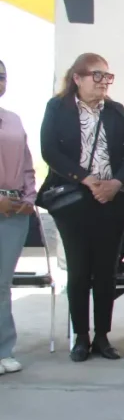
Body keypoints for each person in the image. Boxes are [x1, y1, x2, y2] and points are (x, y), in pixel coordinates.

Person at [38, 53, 124, 363]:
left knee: (106, 272)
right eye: (97, 75)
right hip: (74, 201)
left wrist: (116, 183)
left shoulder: (116, 111)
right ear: (77, 78)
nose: (103, 82)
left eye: (107, 76)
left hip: (111, 201)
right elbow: (49, 150)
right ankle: (81, 337)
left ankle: (102, 337)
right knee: (80, 270)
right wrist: (85, 179)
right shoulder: (58, 108)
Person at [0, 58, 36, 375]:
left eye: (2, 76)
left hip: (14, 212)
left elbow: (26, 164)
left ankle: (3, 350)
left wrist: (29, 198)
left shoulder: (13, 120)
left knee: (2, 283)